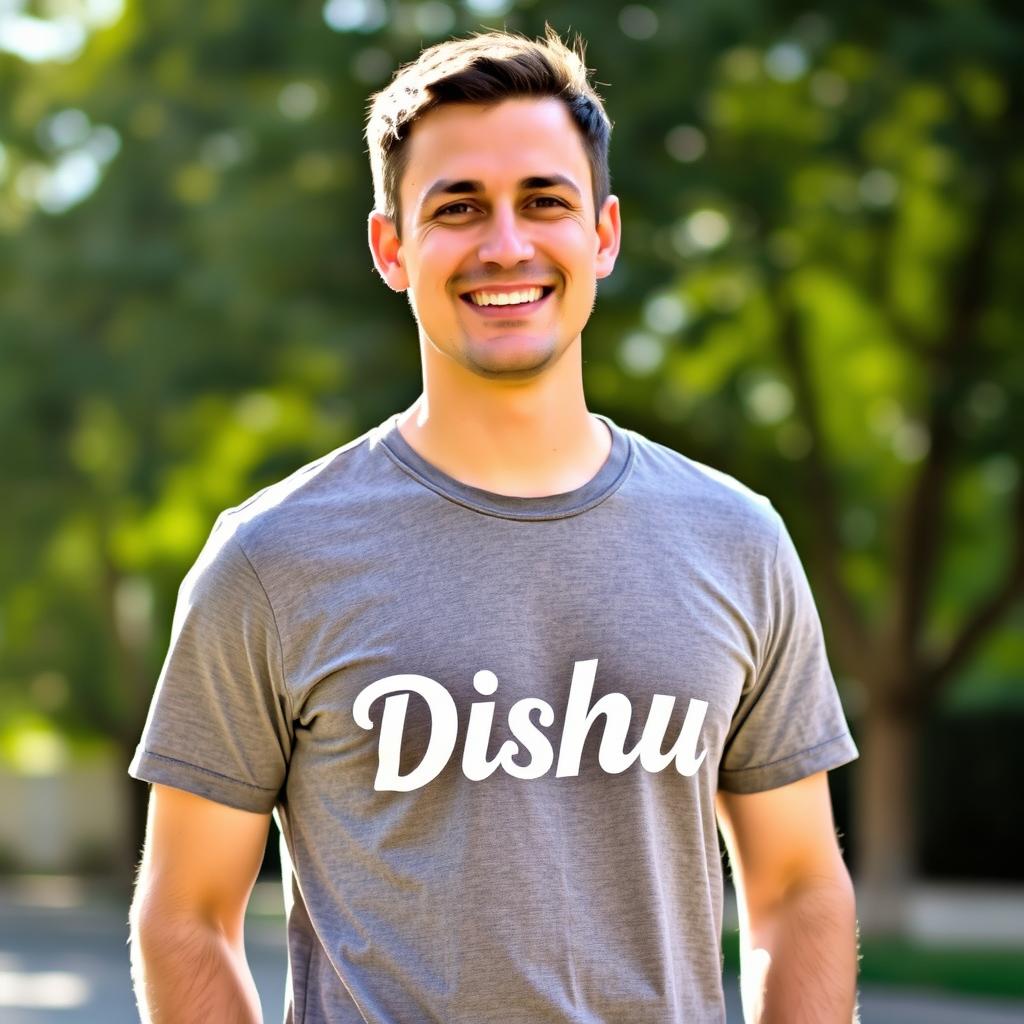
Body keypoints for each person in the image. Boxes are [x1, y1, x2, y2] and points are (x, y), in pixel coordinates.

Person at [127, 25, 860, 1024]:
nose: (505, 245)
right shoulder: (270, 560)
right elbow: (184, 914)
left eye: (543, 202)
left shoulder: (736, 540)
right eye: (458, 208)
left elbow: (797, 887)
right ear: (392, 248)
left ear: (602, 233)